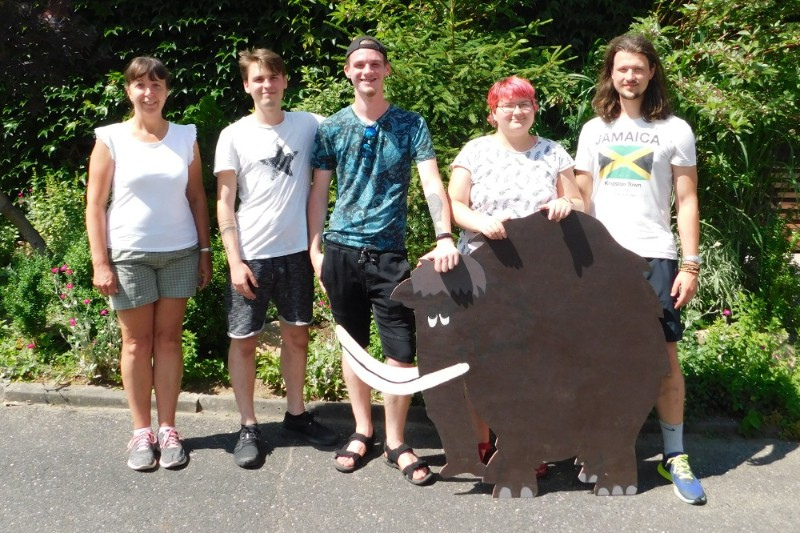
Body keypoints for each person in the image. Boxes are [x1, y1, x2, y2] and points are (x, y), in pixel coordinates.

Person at [308, 36, 460, 486]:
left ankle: (396, 441)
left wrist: (444, 236)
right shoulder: (332, 127)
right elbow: (319, 192)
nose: (367, 71)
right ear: (348, 72)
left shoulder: (410, 124)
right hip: (340, 251)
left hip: (390, 256)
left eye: (375, 64)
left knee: (401, 352)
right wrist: (315, 249)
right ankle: (362, 430)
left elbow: (431, 182)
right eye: (359, 65)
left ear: (386, 70)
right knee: (352, 346)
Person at [574, 33, 706, 505]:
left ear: (651, 73)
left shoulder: (675, 129)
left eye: (638, 68)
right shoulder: (593, 130)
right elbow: (581, 198)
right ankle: (605, 447)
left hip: (655, 257)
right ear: (611, 74)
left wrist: (690, 264)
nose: (629, 76)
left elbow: (687, 201)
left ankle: (675, 455)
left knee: (664, 360)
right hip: (602, 262)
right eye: (621, 68)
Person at [448, 75, 584, 474]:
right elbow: (454, 204)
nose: (517, 112)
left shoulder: (553, 152)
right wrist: (481, 221)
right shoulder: (475, 151)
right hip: (481, 268)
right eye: (507, 105)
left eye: (525, 104)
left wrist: (566, 205)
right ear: (493, 113)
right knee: (479, 360)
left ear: (535, 110)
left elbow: (579, 200)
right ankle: (480, 442)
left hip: (539, 273)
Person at [86, 56, 212, 471]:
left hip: (180, 252)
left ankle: (169, 429)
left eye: (157, 85)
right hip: (129, 255)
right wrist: (100, 262)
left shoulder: (186, 136)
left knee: (169, 340)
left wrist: (205, 251)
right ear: (129, 91)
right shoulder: (110, 138)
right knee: (136, 344)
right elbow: (95, 204)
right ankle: (142, 432)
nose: (149, 93)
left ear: (167, 91)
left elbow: (197, 197)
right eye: (140, 85)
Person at [214, 48, 337, 468]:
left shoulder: (310, 124)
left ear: (285, 81)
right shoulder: (233, 135)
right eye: (258, 78)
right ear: (246, 85)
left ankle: (296, 415)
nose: (266, 85)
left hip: (297, 254)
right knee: (244, 341)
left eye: (273, 77)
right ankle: (248, 426)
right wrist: (234, 261)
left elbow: (352, 128)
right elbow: (225, 201)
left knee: (297, 337)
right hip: (251, 256)